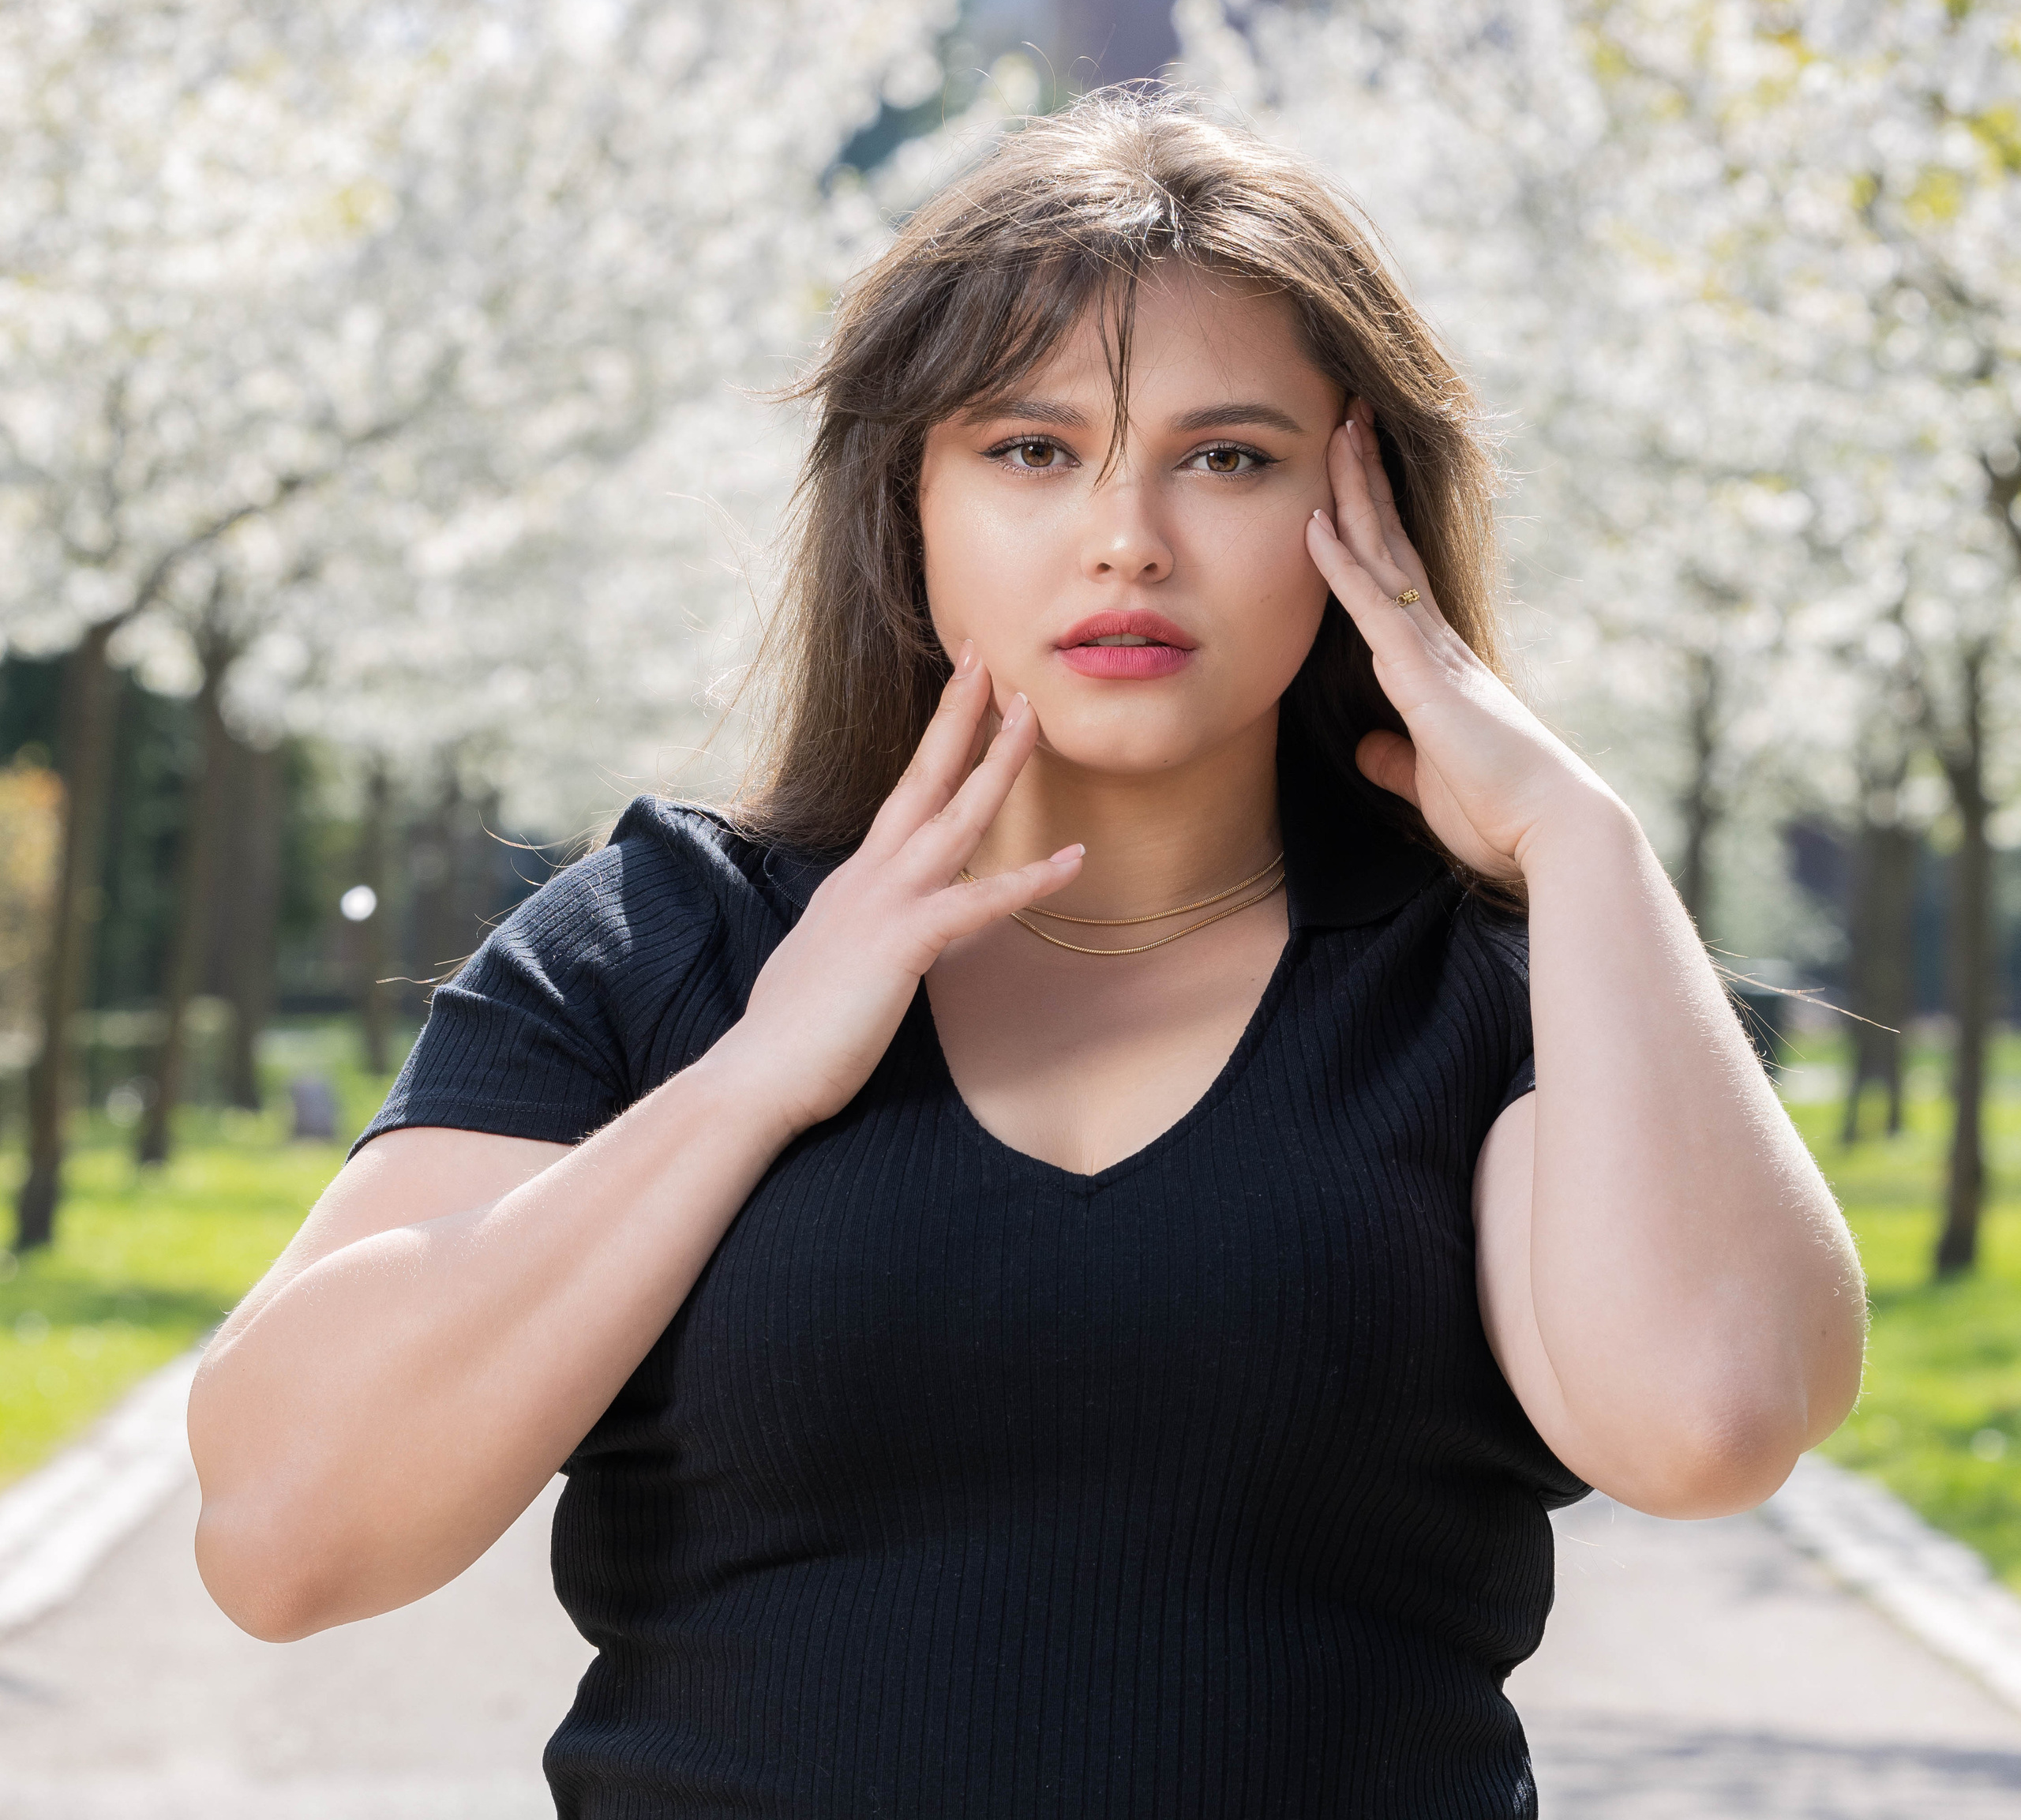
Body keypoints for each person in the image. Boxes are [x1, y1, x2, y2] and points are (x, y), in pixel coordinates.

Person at [188, 89, 1865, 1818]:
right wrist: (758, 1074)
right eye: (1029, 449)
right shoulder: (648, 949)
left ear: (1360, 510)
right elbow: (283, 1536)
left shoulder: (1493, 987)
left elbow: (1708, 1415)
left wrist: (1577, 838)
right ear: (904, 504)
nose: (1125, 534)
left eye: (1227, 455)